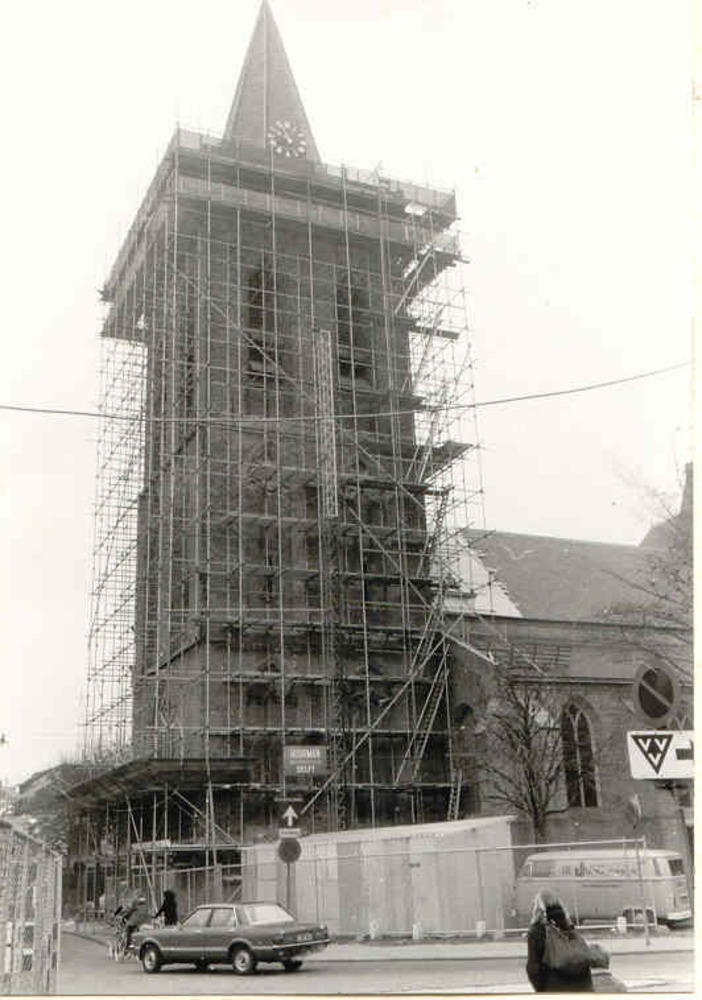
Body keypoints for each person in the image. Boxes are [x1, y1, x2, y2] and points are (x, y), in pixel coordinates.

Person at [526, 890, 593, 992]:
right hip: (583, 987)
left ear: (537, 907)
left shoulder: (537, 931)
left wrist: (541, 989)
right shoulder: (569, 927)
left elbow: (533, 968)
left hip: (555, 987)